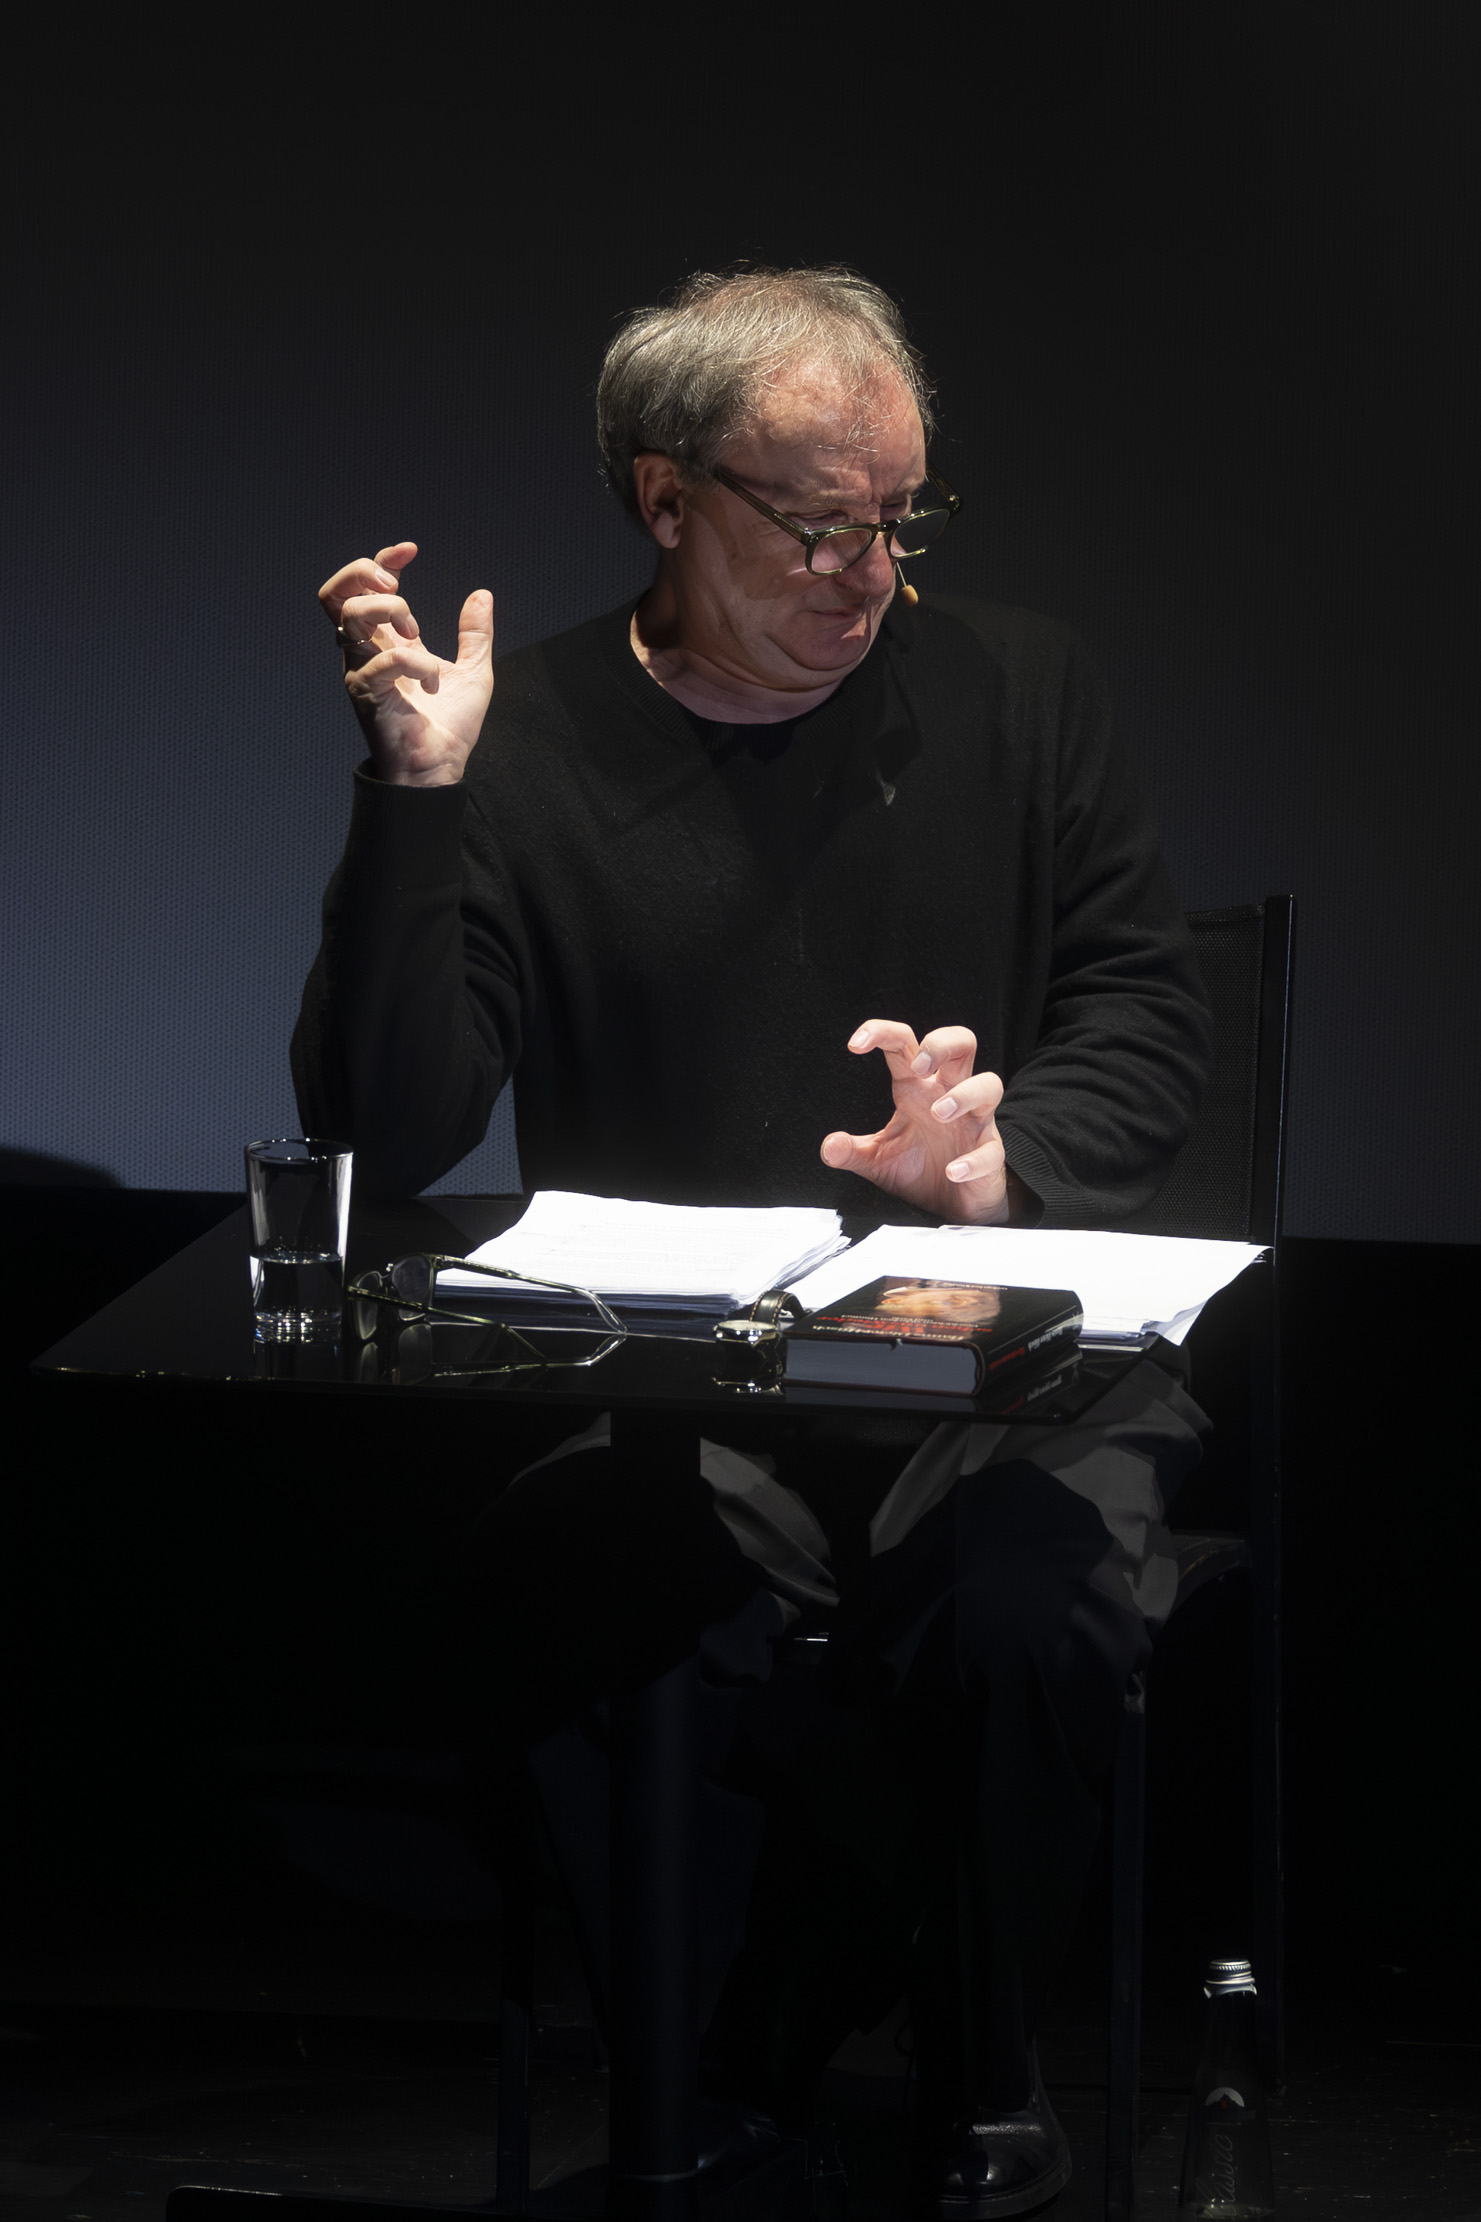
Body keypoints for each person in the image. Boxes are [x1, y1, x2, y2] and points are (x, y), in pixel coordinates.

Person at [293, 266, 1211, 2218]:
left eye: (897, 519)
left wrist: (1000, 1164)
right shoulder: (524, 733)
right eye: (817, 523)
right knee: (577, 1576)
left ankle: (974, 2060)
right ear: (665, 497)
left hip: (996, 1357)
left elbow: (1145, 1013)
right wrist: (418, 801)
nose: (866, 569)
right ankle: (697, 2076)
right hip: (677, 1390)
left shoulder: (1020, 688)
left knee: (1020, 1610)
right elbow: (389, 1122)